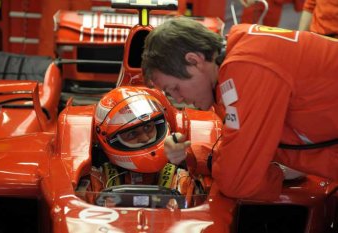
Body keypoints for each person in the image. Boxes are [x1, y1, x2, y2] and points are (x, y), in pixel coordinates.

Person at [141, 16, 338, 201]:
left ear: (195, 60)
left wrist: (275, 174)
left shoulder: (248, 67)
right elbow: (236, 150)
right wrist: (191, 157)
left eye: (175, 88)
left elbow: (236, 181)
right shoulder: (241, 54)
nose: (179, 98)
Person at [76, 86, 208, 207]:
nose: (145, 138)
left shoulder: (183, 181)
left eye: (147, 127)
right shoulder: (95, 182)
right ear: (112, 140)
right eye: (132, 133)